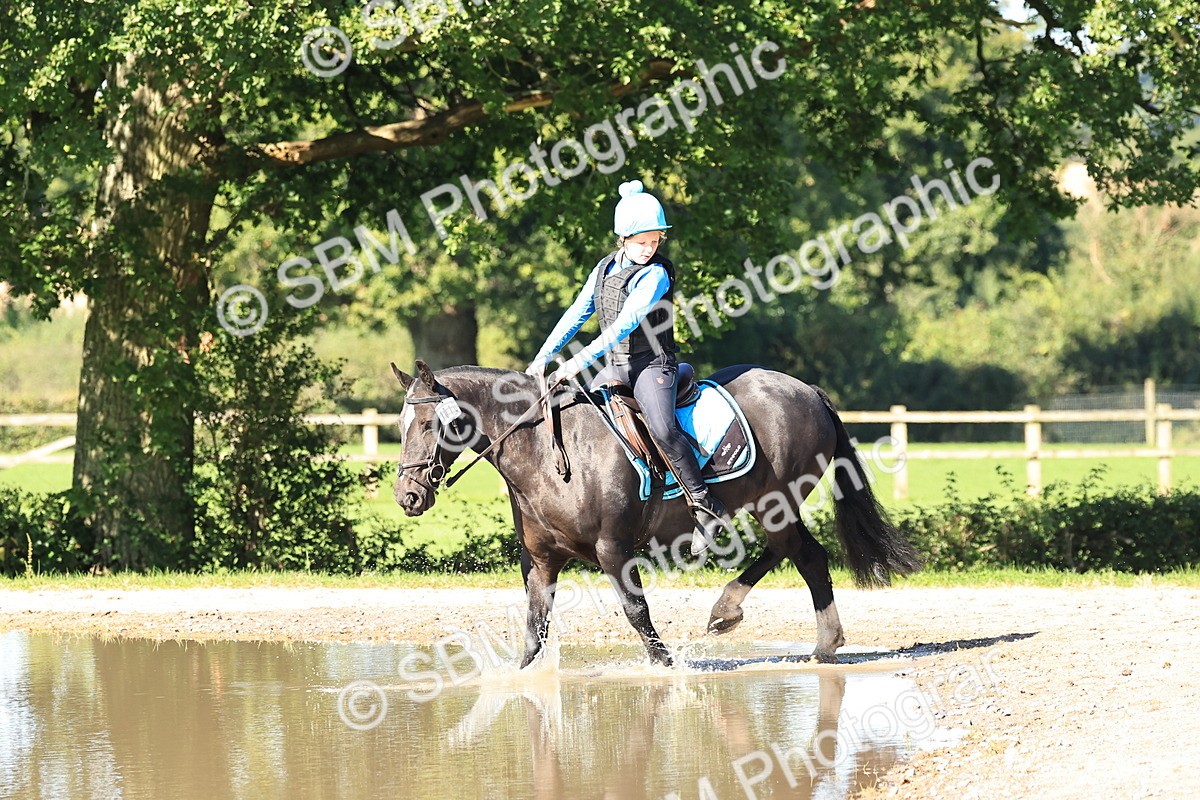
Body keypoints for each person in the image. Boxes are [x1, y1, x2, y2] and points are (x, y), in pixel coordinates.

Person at [525, 179, 730, 544]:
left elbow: (625, 325)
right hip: (617, 366)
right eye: (642, 242)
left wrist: (577, 362)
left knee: (663, 429)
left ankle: (705, 506)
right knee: (580, 419)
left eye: (655, 242)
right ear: (622, 239)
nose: (649, 249)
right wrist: (544, 356)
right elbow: (577, 313)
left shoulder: (656, 274)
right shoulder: (604, 268)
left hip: (653, 366)